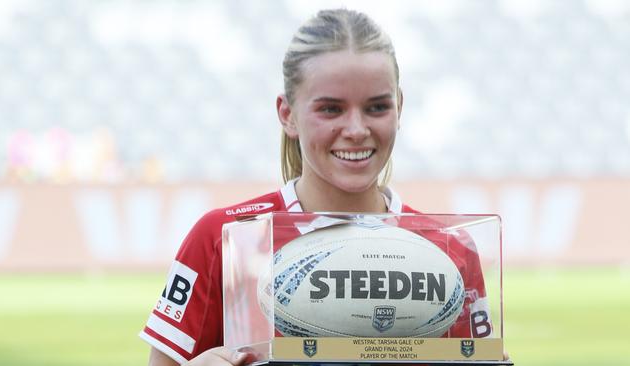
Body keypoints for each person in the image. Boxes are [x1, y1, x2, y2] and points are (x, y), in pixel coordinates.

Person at [140, 9, 494, 366]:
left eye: (377, 107)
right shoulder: (224, 238)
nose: (356, 129)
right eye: (330, 109)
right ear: (287, 114)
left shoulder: (450, 250)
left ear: (399, 107)